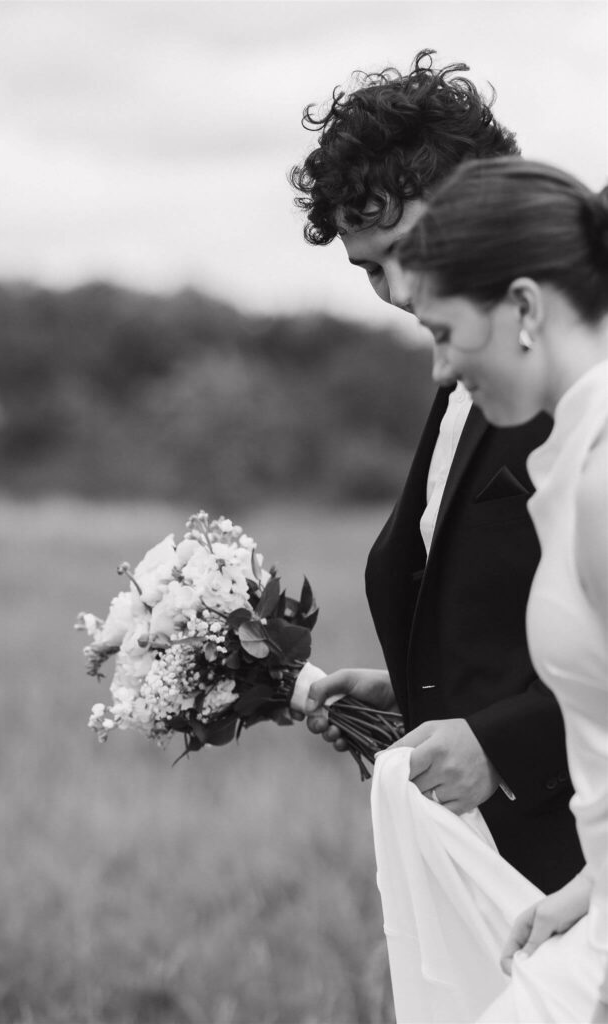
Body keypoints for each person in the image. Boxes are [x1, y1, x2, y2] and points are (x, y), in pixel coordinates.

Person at [289, 50, 584, 893]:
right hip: (480, 865)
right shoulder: (461, 379)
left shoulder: (580, 380)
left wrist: (504, 744)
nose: (400, 291)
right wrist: (418, 690)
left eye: (408, 249)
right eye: (370, 269)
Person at [387, 156, 608, 1023]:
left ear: (521, 306)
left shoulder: (600, 481)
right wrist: (590, 892)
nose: (441, 370)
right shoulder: (569, 463)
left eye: (446, 331)